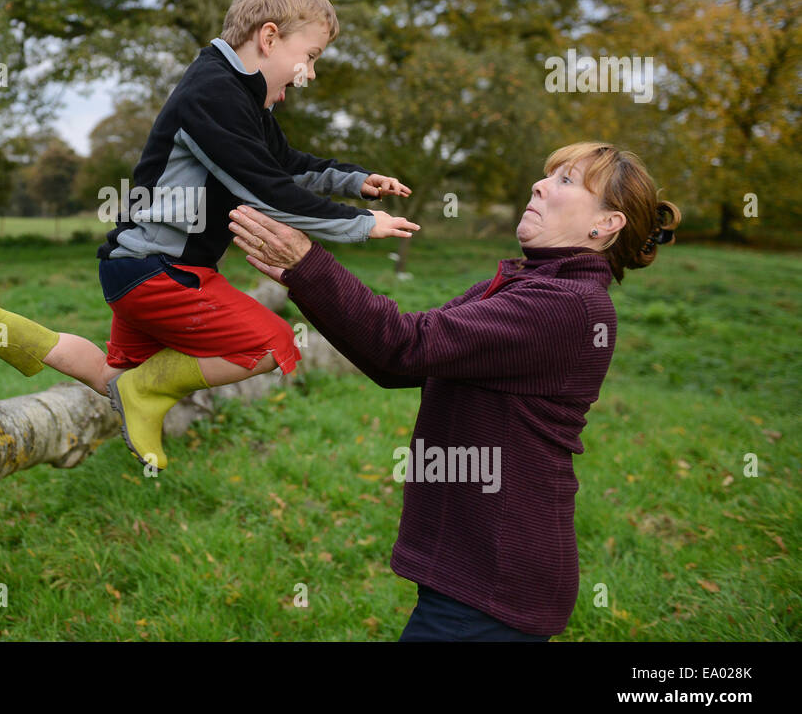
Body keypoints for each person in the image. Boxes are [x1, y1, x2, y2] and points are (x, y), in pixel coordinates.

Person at [0, 0, 419, 471]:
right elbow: (268, 190)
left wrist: (354, 181)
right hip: (160, 272)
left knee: (115, 375)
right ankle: (143, 392)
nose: (307, 73)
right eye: (309, 58)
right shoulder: (214, 94)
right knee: (274, 344)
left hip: (132, 266)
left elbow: (284, 165)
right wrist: (360, 225)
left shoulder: (237, 97)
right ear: (269, 37)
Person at [227, 141, 680, 640]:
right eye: (549, 174)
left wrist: (309, 265)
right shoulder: (528, 284)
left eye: (567, 181)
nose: (540, 184)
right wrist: (303, 275)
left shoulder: (566, 305)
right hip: (479, 568)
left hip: (495, 582)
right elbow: (399, 363)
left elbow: (403, 344)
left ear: (607, 225)